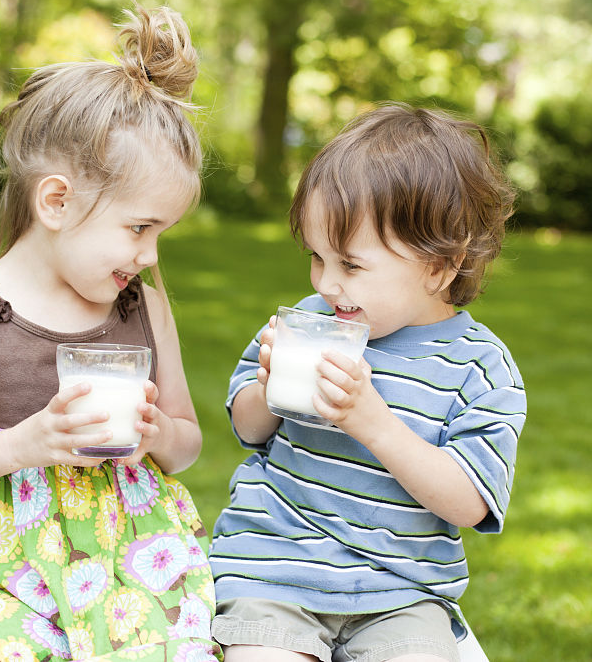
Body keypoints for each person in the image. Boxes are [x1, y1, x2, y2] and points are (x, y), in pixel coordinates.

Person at [0, 4, 220, 662]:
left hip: (141, 567)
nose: (150, 255)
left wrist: (156, 434)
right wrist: (25, 444)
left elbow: (186, 444)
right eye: (138, 228)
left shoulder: (143, 308)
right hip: (17, 580)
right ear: (57, 202)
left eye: (161, 233)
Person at [209, 103, 527, 662]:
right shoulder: (309, 322)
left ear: (440, 265)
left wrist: (371, 422)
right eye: (316, 257)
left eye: (351, 265)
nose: (327, 283)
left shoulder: (480, 368)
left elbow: (469, 504)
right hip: (274, 568)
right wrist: (268, 387)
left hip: (401, 595)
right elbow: (248, 427)